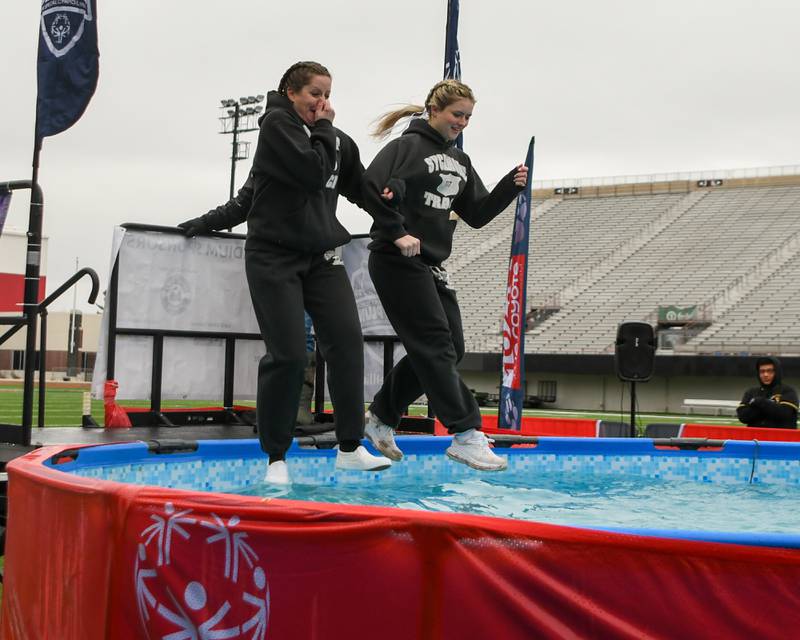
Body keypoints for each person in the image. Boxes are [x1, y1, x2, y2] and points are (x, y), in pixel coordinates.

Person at [183, 61, 392, 484]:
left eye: (328, 93)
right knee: (289, 355)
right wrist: (200, 226)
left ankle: (350, 447)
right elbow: (311, 173)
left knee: (348, 344)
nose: (323, 102)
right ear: (291, 92)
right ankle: (276, 457)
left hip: (321, 259)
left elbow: (360, 190)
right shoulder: (276, 128)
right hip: (272, 259)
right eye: (315, 93)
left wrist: (396, 217)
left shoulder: (334, 141)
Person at [360, 79, 528, 471]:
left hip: (430, 265)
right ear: (433, 111)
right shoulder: (405, 147)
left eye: (468, 117)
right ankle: (467, 433)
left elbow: (478, 214)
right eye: (457, 114)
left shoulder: (461, 161)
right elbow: (370, 186)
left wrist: (509, 187)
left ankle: (381, 417)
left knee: (450, 346)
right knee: (434, 343)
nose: (462, 122)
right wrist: (397, 231)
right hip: (395, 259)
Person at [737, 356, 798, 429]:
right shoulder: (751, 392)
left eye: (770, 371)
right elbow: (743, 417)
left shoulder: (788, 391)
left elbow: (784, 414)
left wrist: (759, 402)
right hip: (755, 439)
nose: (765, 375)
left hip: (780, 439)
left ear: (777, 372)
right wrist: (769, 406)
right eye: (762, 371)